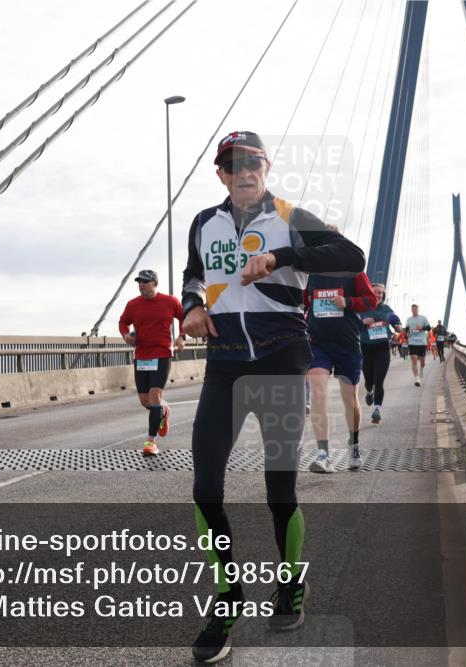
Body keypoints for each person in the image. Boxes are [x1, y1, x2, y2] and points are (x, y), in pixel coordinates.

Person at [181, 130, 365, 663]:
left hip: (283, 354)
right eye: (232, 164)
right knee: (204, 488)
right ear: (220, 174)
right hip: (226, 363)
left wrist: (281, 255)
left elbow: (349, 255)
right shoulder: (203, 223)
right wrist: (191, 306)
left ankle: (289, 586)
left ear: (265, 168)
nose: (244, 172)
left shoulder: (289, 214)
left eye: (253, 163)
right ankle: (226, 598)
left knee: (279, 489)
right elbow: (195, 274)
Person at [304, 267, 378, 474]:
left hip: (347, 345)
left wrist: (348, 302)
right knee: (317, 393)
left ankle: (353, 445)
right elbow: (298, 303)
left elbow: (371, 300)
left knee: (350, 398)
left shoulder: (354, 273)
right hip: (317, 344)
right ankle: (323, 455)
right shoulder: (310, 275)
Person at [119, 269, 185, 456]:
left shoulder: (170, 301)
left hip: (162, 354)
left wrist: (181, 337)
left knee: (155, 395)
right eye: (139, 281)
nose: (141, 285)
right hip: (141, 356)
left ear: (155, 283)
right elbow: (123, 322)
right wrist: (125, 335)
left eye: (145, 281)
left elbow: (183, 317)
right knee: (145, 400)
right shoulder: (133, 305)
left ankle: (151, 442)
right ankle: (162, 411)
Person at [359, 285, 403, 425]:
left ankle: (377, 410)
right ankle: (369, 391)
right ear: (370, 293)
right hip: (366, 349)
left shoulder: (386, 310)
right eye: (375, 292)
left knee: (379, 381)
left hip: (383, 349)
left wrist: (398, 326)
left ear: (383, 295)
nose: (377, 295)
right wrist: (362, 322)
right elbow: (352, 324)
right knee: (368, 380)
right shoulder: (363, 309)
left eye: (380, 293)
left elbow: (395, 320)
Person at [405, 304, 431, 387]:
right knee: (414, 360)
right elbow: (406, 329)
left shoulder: (423, 318)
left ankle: (422, 369)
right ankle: (417, 378)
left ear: (418, 310)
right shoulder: (409, 319)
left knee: (422, 362)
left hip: (422, 342)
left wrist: (422, 329)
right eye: (413, 309)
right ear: (411, 310)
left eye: (416, 309)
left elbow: (429, 328)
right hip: (412, 342)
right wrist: (407, 334)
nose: (414, 310)